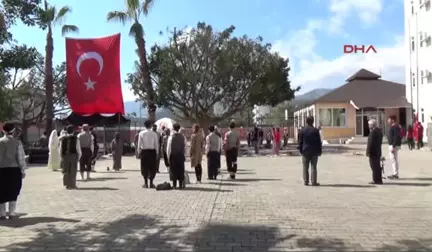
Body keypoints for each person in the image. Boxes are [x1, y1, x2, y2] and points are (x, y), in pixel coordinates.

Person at [0, 123, 27, 220]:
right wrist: (23, 170)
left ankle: (2, 213)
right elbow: (20, 158)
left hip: (1, 170)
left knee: (1, 191)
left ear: (3, 130)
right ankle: (11, 212)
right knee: (13, 190)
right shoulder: (17, 143)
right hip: (14, 170)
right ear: (13, 130)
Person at [298, 116, 322, 186]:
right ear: (313, 121)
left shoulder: (302, 130)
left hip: (305, 151)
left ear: (306, 122)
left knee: (305, 166)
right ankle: (314, 181)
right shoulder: (316, 130)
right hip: (314, 151)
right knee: (313, 166)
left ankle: (306, 181)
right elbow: (318, 142)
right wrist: (319, 151)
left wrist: (300, 150)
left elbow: (300, 142)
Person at [138, 120, 159, 188]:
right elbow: (156, 144)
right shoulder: (154, 134)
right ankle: (151, 183)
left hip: (144, 152)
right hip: (152, 152)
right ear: (150, 126)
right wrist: (157, 152)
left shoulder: (141, 133)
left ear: (144, 125)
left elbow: (139, 145)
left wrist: (139, 152)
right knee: (152, 167)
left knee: (144, 167)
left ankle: (145, 183)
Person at [166, 123, 187, 188]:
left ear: (173, 128)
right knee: (181, 170)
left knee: (173, 170)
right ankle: (180, 184)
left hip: (173, 156)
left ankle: (174, 184)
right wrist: (184, 155)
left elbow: (168, 148)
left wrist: (168, 156)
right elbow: (185, 147)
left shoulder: (171, 137)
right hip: (180, 155)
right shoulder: (183, 136)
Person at [366, 119, 383, 185]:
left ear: (372, 125)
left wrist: (368, 152)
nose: (368, 126)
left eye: (369, 125)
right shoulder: (379, 131)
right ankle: (379, 179)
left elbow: (371, 143)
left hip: (373, 153)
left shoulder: (373, 132)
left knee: (374, 167)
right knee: (377, 166)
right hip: (378, 151)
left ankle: (376, 180)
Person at [387, 115, 402, 179]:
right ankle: (395, 173)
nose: (388, 121)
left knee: (393, 160)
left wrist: (393, 146)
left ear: (393, 120)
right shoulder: (394, 127)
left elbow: (396, 137)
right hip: (393, 145)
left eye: (389, 119)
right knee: (394, 160)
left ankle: (395, 174)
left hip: (393, 145)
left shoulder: (395, 127)